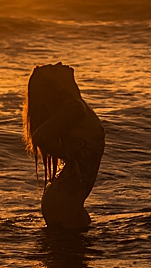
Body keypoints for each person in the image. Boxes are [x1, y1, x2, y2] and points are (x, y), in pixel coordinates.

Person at [22, 62, 105, 230]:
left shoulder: (76, 105)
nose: (60, 64)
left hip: (67, 200)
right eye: (54, 68)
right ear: (58, 85)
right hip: (64, 201)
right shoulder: (74, 108)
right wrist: (68, 157)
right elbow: (40, 136)